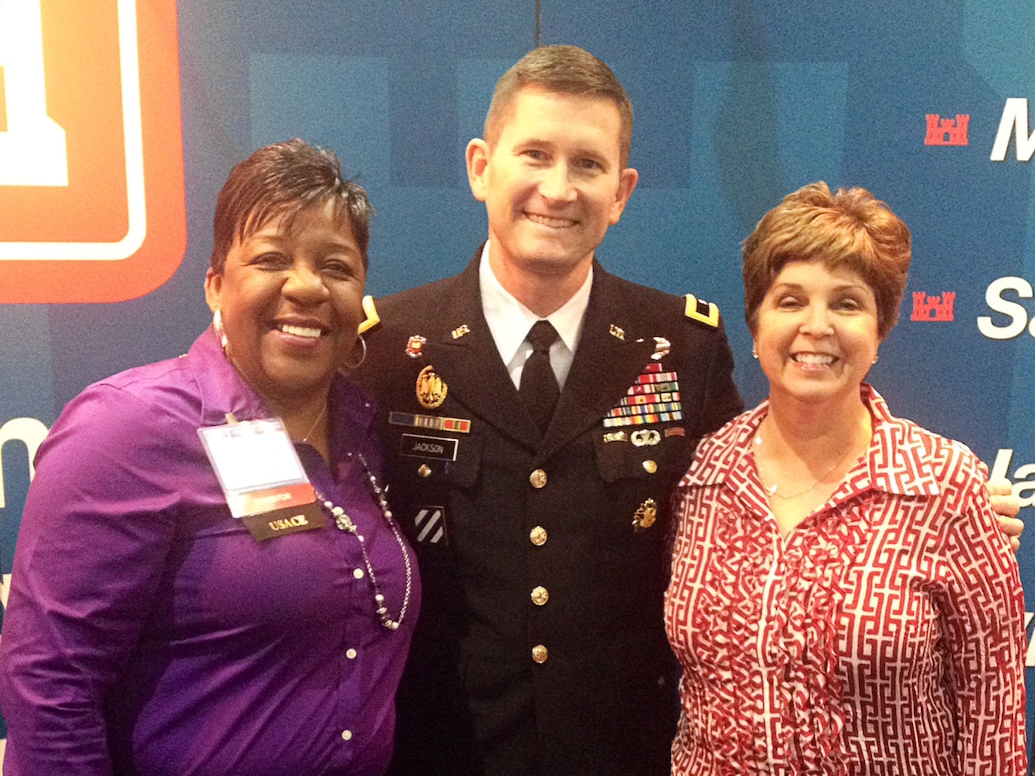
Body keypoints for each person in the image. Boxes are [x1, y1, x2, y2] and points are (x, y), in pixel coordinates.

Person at [357, 47, 1023, 775]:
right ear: (481, 165)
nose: (558, 188)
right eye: (535, 154)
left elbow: (767, 474)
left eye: (587, 164)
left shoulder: (676, 346)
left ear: (621, 191)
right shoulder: (389, 347)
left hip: (621, 755)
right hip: (447, 753)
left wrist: (943, 497)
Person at [0, 139, 419, 775]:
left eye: (336, 266)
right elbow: (50, 685)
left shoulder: (362, 431)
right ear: (216, 285)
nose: (306, 286)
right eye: (272, 258)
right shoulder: (127, 428)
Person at [664, 182, 1027, 774]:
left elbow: (993, 710)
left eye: (847, 303)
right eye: (789, 301)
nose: (817, 326)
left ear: (880, 331)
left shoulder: (946, 486)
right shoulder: (701, 474)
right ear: (755, 327)